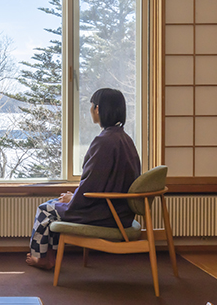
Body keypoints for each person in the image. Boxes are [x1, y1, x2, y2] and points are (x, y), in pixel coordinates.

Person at [27, 88, 141, 270]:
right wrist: (74, 196)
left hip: (104, 214)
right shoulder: (124, 138)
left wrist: (73, 199)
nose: (91, 110)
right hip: (120, 212)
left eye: (92, 106)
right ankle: (48, 256)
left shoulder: (104, 141)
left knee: (46, 209)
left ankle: (40, 257)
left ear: (98, 109)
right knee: (57, 205)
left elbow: (91, 183)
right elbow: (99, 182)